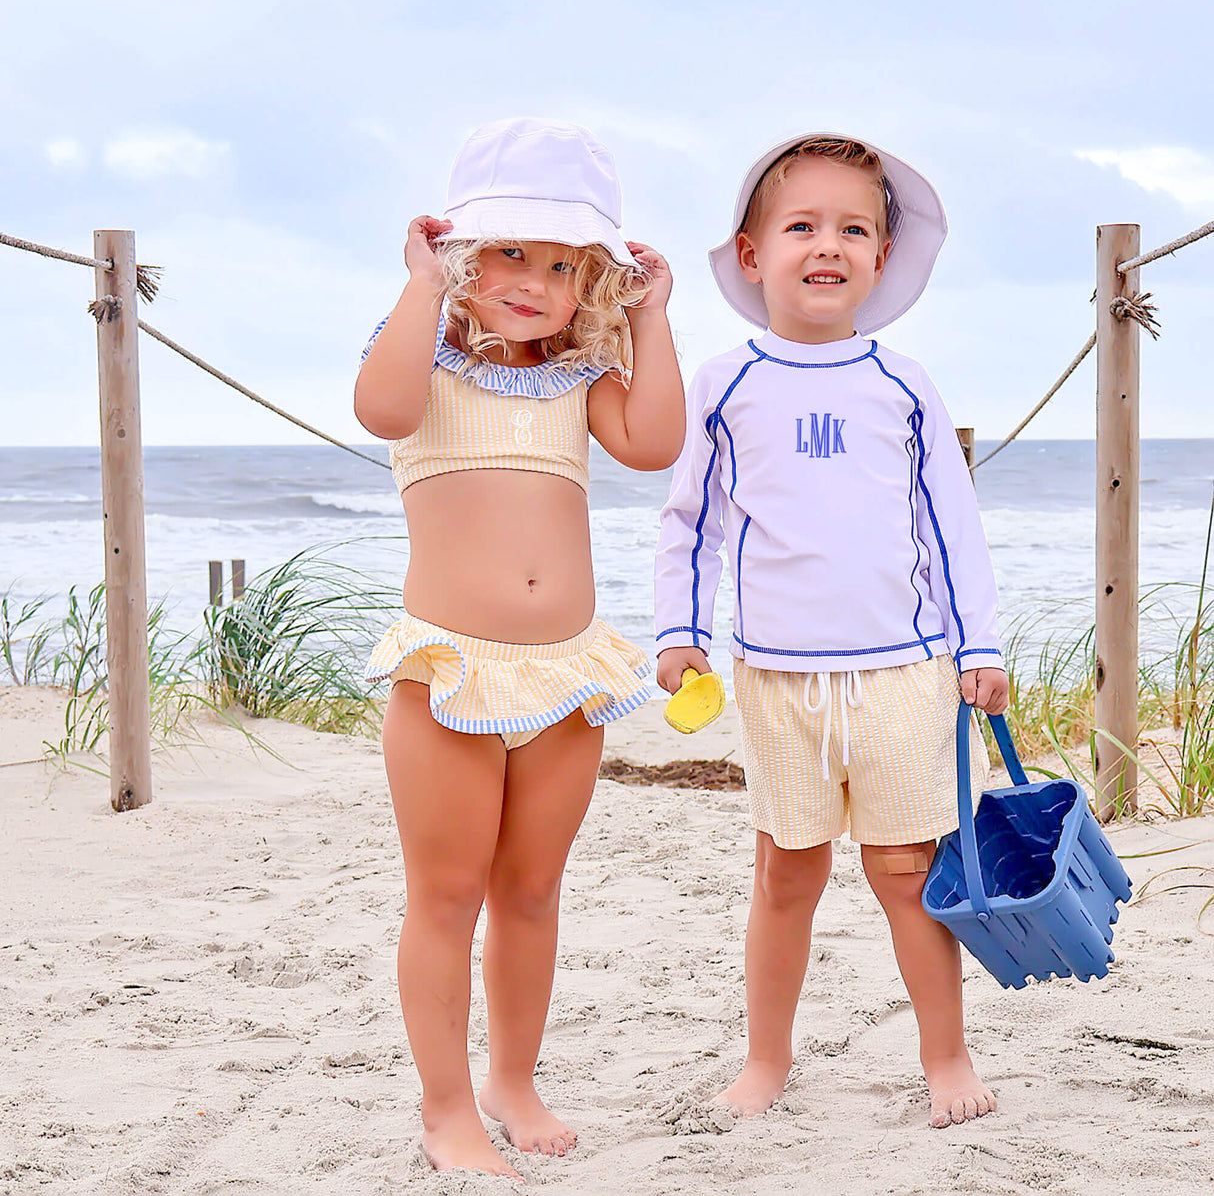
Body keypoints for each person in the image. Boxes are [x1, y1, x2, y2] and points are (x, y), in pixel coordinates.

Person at [653, 133, 1009, 1129]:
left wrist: (975, 647)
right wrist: (678, 629)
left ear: (881, 258)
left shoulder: (901, 384)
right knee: (784, 871)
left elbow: (951, 524)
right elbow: (692, 519)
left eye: (852, 228)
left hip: (902, 672)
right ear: (751, 251)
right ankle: (765, 1056)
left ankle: (944, 1054)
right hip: (775, 679)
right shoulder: (724, 382)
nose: (828, 244)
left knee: (905, 873)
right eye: (801, 224)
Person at [355, 117, 683, 1178]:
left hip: (565, 671)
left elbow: (655, 442)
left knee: (532, 890)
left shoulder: (580, 375)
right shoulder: (424, 357)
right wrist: (416, 287)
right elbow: (380, 405)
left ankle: (515, 1077)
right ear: (460, 251)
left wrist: (655, 318)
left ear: (586, 276)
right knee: (445, 894)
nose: (532, 281)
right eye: (509, 252)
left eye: (559, 262)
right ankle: (446, 1105)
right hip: (450, 668)